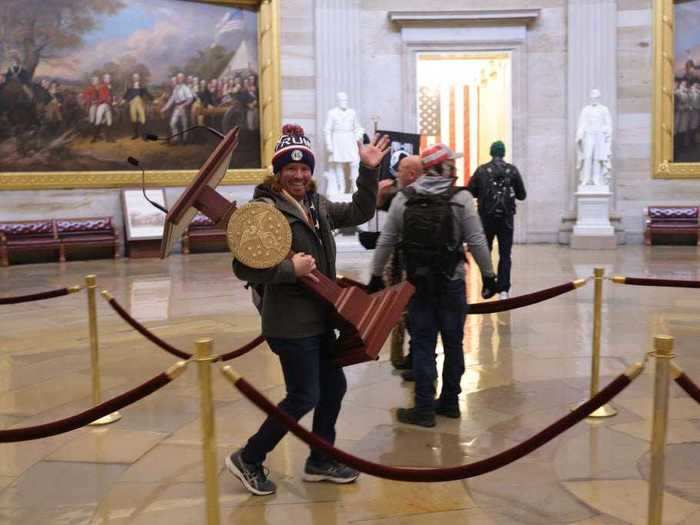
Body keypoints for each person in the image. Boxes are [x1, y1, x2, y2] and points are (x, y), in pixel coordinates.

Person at [226, 124, 390, 496]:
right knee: (304, 395)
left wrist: (368, 170)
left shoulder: (317, 204)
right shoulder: (263, 210)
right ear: (278, 171)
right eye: (290, 168)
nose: (298, 175)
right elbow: (242, 267)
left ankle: (320, 459)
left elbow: (361, 210)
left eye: (304, 168)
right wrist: (288, 270)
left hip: (319, 318)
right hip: (289, 322)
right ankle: (249, 458)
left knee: (332, 385)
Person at [368, 143, 497, 428]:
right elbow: (476, 240)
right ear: (447, 166)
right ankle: (450, 403)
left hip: (418, 285)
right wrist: (489, 276)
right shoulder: (460, 198)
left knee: (424, 344)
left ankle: (424, 408)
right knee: (453, 344)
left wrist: (375, 275)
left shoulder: (405, 198)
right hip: (451, 283)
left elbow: (386, 240)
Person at [376, 153, 423, 372]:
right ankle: (408, 357)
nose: (397, 172)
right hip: (406, 265)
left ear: (412, 173)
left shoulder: (406, 196)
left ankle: (416, 360)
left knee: (413, 315)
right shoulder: (400, 194)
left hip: (410, 267)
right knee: (407, 313)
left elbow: (388, 237)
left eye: (401, 169)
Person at [467, 141, 526, 300]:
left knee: (484, 253)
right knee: (505, 254)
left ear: (491, 152)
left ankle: (488, 285)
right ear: (503, 152)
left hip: (486, 218)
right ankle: (504, 289)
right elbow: (522, 195)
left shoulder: (482, 170)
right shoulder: (512, 171)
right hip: (506, 219)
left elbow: (470, 192)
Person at [324, 92, 364, 194]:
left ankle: (355, 186)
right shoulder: (332, 113)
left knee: (354, 163)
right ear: (338, 101)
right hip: (337, 140)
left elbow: (358, 127)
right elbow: (327, 130)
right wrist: (329, 144)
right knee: (339, 165)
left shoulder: (352, 112)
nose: (344, 102)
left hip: (350, 139)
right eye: (342, 100)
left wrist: (357, 136)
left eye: (345, 100)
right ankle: (341, 188)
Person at [161, 72, 194, 144]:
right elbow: (171, 100)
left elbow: (190, 98)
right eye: (178, 78)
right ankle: (176, 138)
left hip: (184, 108)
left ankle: (185, 140)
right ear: (177, 79)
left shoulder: (185, 88)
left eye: (181, 78)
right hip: (177, 108)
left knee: (184, 124)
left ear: (183, 78)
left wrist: (184, 105)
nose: (180, 79)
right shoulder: (175, 88)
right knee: (172, 123)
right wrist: (164, 108)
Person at [123, 73, 153, 139]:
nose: (135, 78)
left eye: (137, 77)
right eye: (134, 77)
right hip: (132, 103)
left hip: (140, 103)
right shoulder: (130, 87)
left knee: (143, 118)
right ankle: (135, 134)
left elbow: (147, 93)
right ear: (132, 78)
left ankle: (144, 135)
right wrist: (123, 100)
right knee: (133, 118)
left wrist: (153, 99)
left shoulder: (142, 86)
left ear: (139, 78)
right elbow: (126, 95)